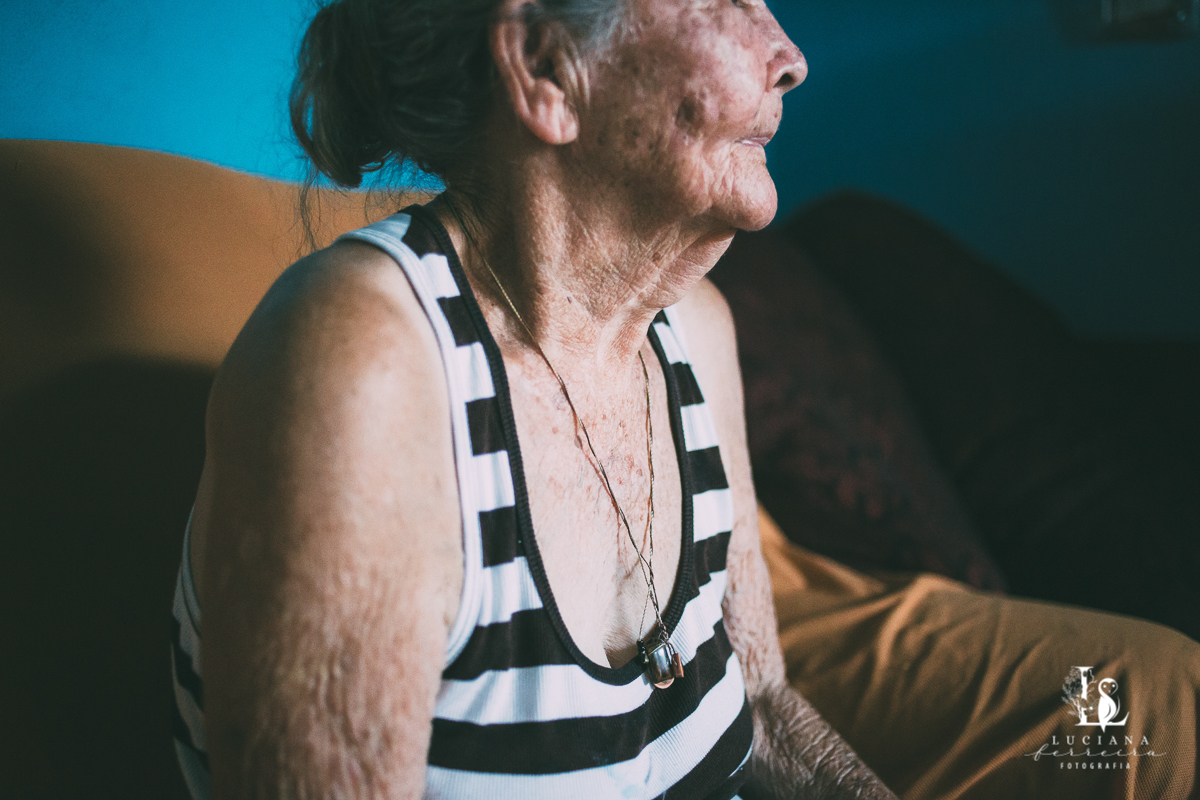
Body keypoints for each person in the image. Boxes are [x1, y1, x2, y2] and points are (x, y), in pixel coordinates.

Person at [168, 0, 899, 797]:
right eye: (725, 2)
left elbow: (757, 698)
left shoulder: (695, 330)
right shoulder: (367, 364)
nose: (790, 56)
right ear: (547, 69)